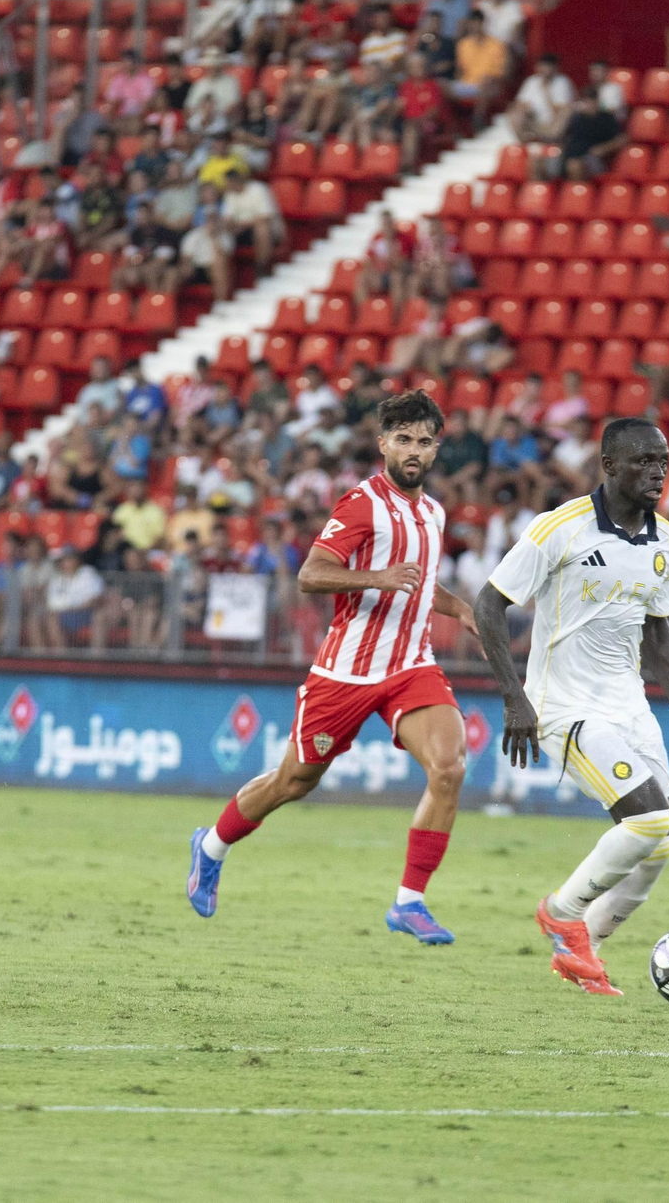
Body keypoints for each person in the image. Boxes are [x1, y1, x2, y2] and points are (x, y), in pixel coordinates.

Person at [185, 393, 478, 946]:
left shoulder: (433, 512)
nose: (414, 451)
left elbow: (416, 582)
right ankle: (211, 847)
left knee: (449, 766)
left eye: (424, 441)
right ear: (383, 444)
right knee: (292, 781)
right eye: (404, 440)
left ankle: (409, 902)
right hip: (346, 673)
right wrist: (377, 578)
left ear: (436, 449)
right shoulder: (361, 503)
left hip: (412, 665)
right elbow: (312, 574)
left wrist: (459, 608)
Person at [473, 418, 669, 995]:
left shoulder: (665, 538)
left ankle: (581, 948)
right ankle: (561, 913)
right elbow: (489, 605)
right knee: (647, 818)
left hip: (628, 706)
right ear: (609, 466)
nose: (658, 472)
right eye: (643, 461)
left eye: (663, 461)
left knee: (659, 844)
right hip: (563, 706)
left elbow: (657, 632)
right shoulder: (559, 528)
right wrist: (515, 698)